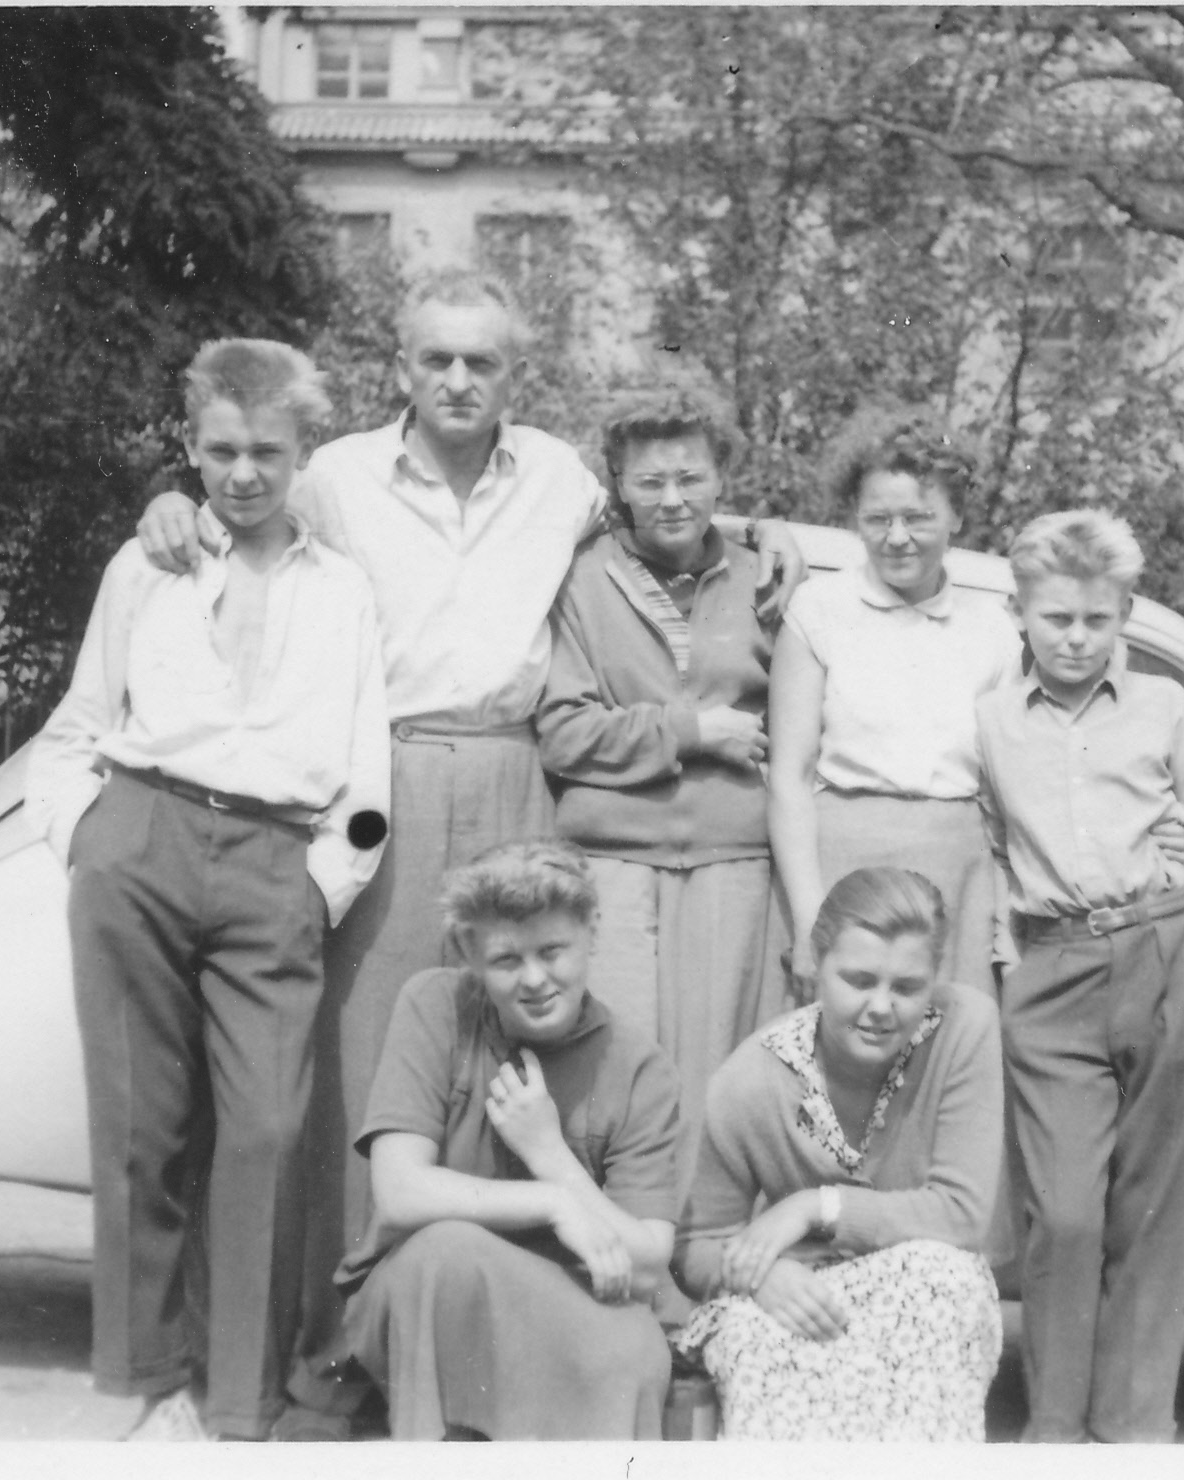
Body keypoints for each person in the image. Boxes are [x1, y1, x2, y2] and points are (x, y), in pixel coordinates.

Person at [133, 269, 804, 1430]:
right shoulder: (337, 475)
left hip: (514, 774)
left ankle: (483, 1348)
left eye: (480, 361)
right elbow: (245, 514)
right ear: (402, 366)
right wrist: (168, 505)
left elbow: (666, 515)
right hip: (383, 772)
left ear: (511, 373)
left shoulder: (560, 477)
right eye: (437, 358)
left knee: (513, 1058)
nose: (457, 379)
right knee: (368, 1067)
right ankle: (340, 1351)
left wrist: (760, 532)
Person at [24, 339, 391, 1441]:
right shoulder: (146, 567)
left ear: (303, 452)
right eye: (222, 450)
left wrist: (319, 887)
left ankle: (239, 1401)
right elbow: (78, 724)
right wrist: (89, 840)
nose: (243, 473)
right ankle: (148, 1383)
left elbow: (366, 773)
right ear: (191, 446)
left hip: (276, 863)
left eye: (267, 451)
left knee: (267, 1131)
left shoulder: (342, 589)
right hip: (141, 838)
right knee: (141, 1126)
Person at [973, 509, 1184, 1443]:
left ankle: (1133, 1436)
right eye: (1056, 618)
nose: (1076, 638)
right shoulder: (991, 718)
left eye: (1097, 619)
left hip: (1165, 952)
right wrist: (1004, 944)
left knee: (1150, 1211)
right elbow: (990, 844)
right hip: (1051, 970)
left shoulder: (1164, 707)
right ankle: (1055, 1433)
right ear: (1020, 613)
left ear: (1125, 614)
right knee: (1062, 1215)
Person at [336, 842, 681, 1440]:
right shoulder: (435, 1005)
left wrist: (550, 1156)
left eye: (553, 951)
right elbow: (399, 1193)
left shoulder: (639, 1067)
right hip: (428, 1288)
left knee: (637, 1353)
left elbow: (648, 1265)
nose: (535, 979)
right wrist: (553, 1203)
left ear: (591, 932)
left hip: (565, 1293)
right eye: (505, 959)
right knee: (447, 1250)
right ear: (469, 953)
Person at [535, 386, 788, 1187]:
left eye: (691, 477)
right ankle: (614, 1250)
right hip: (612, 860)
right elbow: (564, 732)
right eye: (649, 481)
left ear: (722, 479)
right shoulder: (581, 579)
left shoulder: (765, 578)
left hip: (731, 861)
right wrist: (691, 731)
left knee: (717, 1084)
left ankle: (699, 1256)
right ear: (618, 483)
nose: (672, 498)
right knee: (612, 1080)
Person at [673, 867, 1006, 1441]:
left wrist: (815, 1206)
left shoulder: (962, 1029)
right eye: (859, 980)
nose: (881, 1007)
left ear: (934, 980)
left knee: (944, 1284)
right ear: (817, 966)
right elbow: (695, 1245)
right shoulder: (751, 1080)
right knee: (755, 1338)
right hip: (798, 1287)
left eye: (907, 987)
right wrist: (762, 1276)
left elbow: (962, 1214)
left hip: (918, 1282)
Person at [766, 412, 1018, 995]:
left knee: (948, 1038)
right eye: (877, 518)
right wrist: (809, 920)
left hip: (958, 872)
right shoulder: (818, 610)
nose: (897, 537)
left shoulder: (993, 629)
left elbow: (1005, 796)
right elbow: (789, 778)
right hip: (842, 867)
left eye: (919, 517)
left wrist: (1005, 918)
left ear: (956, 516)